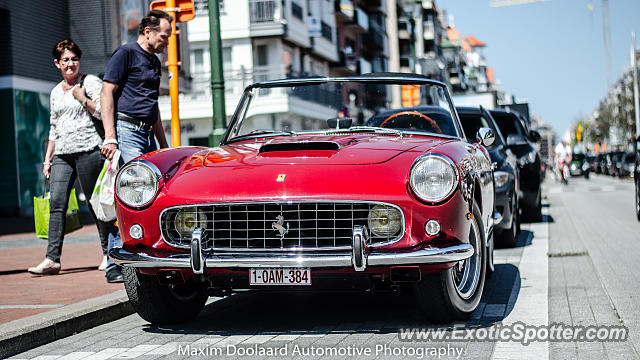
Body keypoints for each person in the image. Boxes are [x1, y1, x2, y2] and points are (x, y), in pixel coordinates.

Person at [28, 39, 118, 278]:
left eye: (74, 59)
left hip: (90, 150)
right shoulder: (56, 91)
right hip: (62, 155)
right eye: (65, 60)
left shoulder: (89, 82)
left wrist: (82, 98)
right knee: (56, 203)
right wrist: (48, 160)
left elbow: (103, 111)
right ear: (57, 63)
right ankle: (52, 259)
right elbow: (53, 128)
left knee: (95, 204)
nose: (70, 64)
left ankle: (107, 253)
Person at [100, 10, 172, 282]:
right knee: (134, 192)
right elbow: (107, 91)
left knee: (152, 192)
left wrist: (164, 146)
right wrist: (110, 135)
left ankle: (147, 253)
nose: (167, 41)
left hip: (147, 132)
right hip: (127, 129)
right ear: (147, 31)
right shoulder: (126, 53)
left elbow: (153, 107)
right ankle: (113, 262)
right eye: (164, 36)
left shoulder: (155, 62)